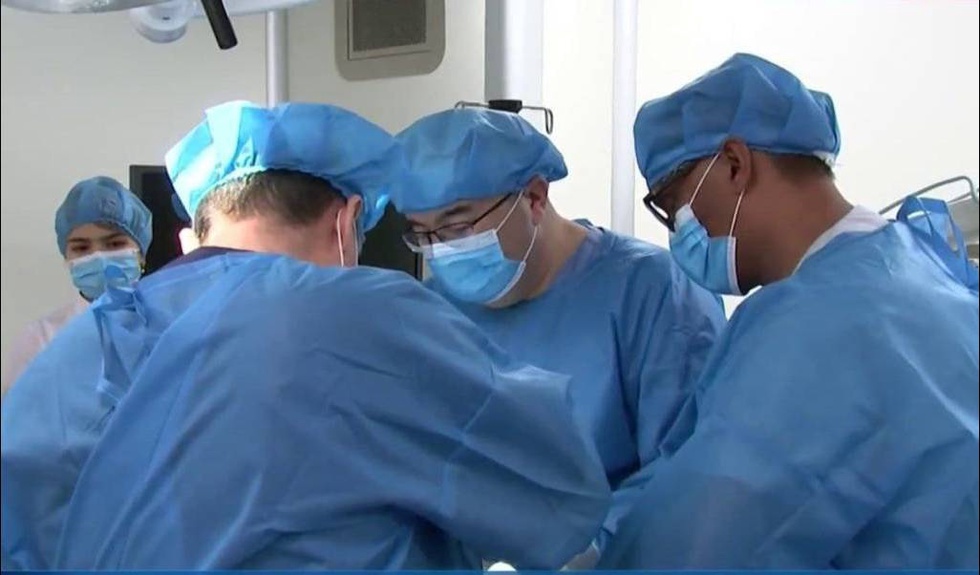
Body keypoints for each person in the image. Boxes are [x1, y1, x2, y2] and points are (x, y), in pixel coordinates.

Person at [0, 101, 611, 570]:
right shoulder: (368, 316)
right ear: (348, 223)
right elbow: (563, 492)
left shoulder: (79, 349)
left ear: (196, 233)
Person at [596, 52, 979, 569]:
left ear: (735, 164)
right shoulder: (919, 264)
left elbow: (701, 542)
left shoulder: (813, 326)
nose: (678, 232)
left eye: (674, 208)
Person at [389, 105, 727, 564]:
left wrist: (583, 556)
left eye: (457, 225)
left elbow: (688, 469)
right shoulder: (434, 312)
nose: (442, 251)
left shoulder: (652, 292)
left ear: (534, 197)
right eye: (423, 234)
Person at [2, 176, 152, 398]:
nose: (98, 256)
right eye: (82, 248)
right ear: (67, 258)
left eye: (114, 244)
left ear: (141, 254)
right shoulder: (41, 338)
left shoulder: (169, 326)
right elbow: (17, 413)